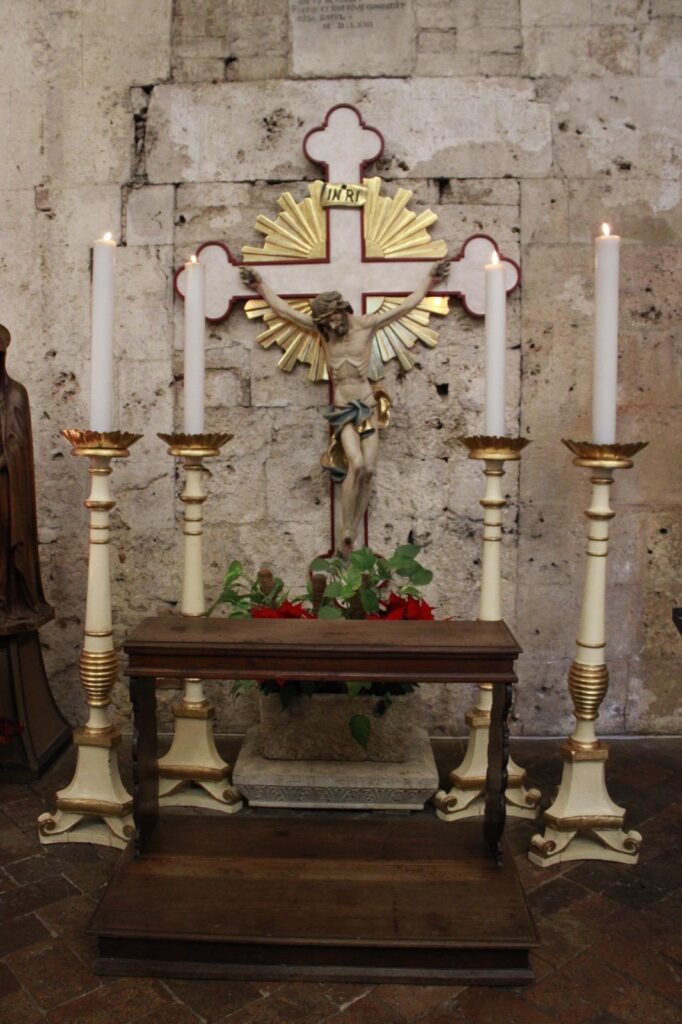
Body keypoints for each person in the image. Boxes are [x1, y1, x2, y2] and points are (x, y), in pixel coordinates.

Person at [240, 259, 450, 553]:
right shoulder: (324, 333)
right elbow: (284, 311)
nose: (330, 325)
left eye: (332, 319)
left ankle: (353, 525)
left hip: (366, 404)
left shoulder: (366, 325)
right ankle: (346, 528)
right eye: (325, 322)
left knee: (370, 469)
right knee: (357, 463)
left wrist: (431, 279)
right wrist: (259, 286)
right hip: (342, 410)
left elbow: (405, 307)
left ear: (342, 309)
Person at [0, 325, 53, 627]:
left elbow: (17, 444)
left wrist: (4, 458)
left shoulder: (15, 394)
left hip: (6, 486)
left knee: (6, 534)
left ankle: (10, 599)